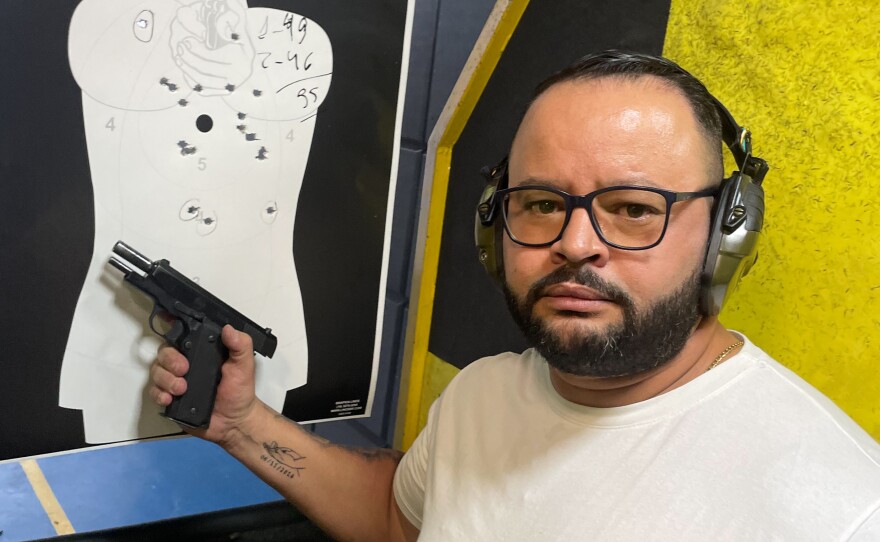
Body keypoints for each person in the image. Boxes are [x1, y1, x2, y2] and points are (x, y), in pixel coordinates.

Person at [149, 51, 880, 540]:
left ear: (726, 234)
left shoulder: (835, 506)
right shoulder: (483, 395)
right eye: (540, 203)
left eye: (632, 207)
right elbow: (396, 517)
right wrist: (240, 422)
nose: (575, 242)